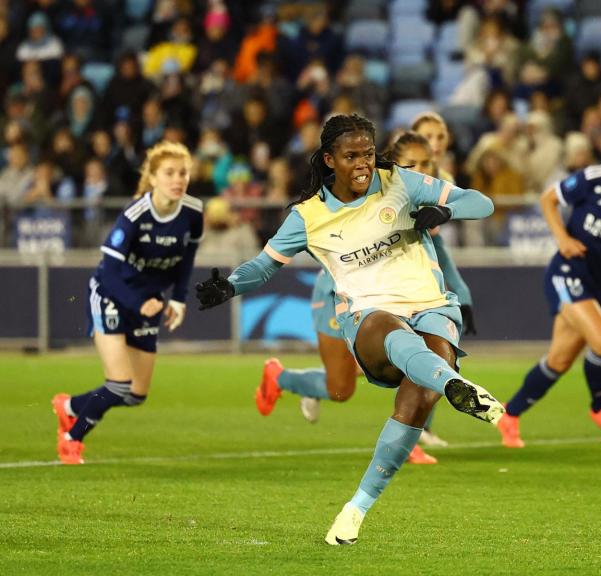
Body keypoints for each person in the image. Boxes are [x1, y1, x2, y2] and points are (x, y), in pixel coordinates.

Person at [194, 114, 503, 545]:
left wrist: (445, 209)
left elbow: (482, 203)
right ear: (329, 159)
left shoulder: (401, 181)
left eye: (369, 153)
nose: (363, 164)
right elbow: (265, 266)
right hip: (367, 316)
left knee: (419, 398)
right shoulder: (308, 216)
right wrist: (228, 285)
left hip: (432, 307)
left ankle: (355, 509)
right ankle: (455, 384)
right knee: (384, 335)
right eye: (352, 155)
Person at [258, 131, 476, 465]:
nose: (422, 166)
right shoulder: (374, 187)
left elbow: (438, 251)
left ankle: (411, 435)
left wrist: (463, 296)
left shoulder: (428, 188)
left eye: (428, 159)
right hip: (338, 295)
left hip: (395, 298)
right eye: (413, 162)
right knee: (340, 388)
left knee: (420, 355)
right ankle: (281, 377)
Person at [496, 114, 601, 448]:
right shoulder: (593, 178)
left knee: (559, 361)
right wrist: (561, 238)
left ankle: (509, 414)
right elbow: (548, 199)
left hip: (598, 285)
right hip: (567, 271)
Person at [51, 142, 204, 465]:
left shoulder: (192, 212)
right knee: (119, 383)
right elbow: (108, 271)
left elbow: (186, 259)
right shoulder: (136, 214)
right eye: (169, 173)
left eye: (183, 173)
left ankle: (69, 407)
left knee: (136, 395)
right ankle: (71, 439)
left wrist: (178, 298)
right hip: (111, 294)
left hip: (146, 300)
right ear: (152, 177)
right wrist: (139, 302)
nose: (178, 179)